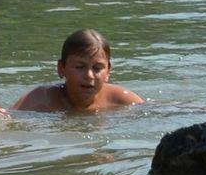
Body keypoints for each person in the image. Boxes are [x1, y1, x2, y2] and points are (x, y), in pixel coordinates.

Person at [13, 29, 143, 114]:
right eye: (80, 67)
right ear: (61, 68)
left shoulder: (122, 100)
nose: (89, 76)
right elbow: (10, 118)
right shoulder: (42, 98)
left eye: (97, 68)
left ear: (108, 71)